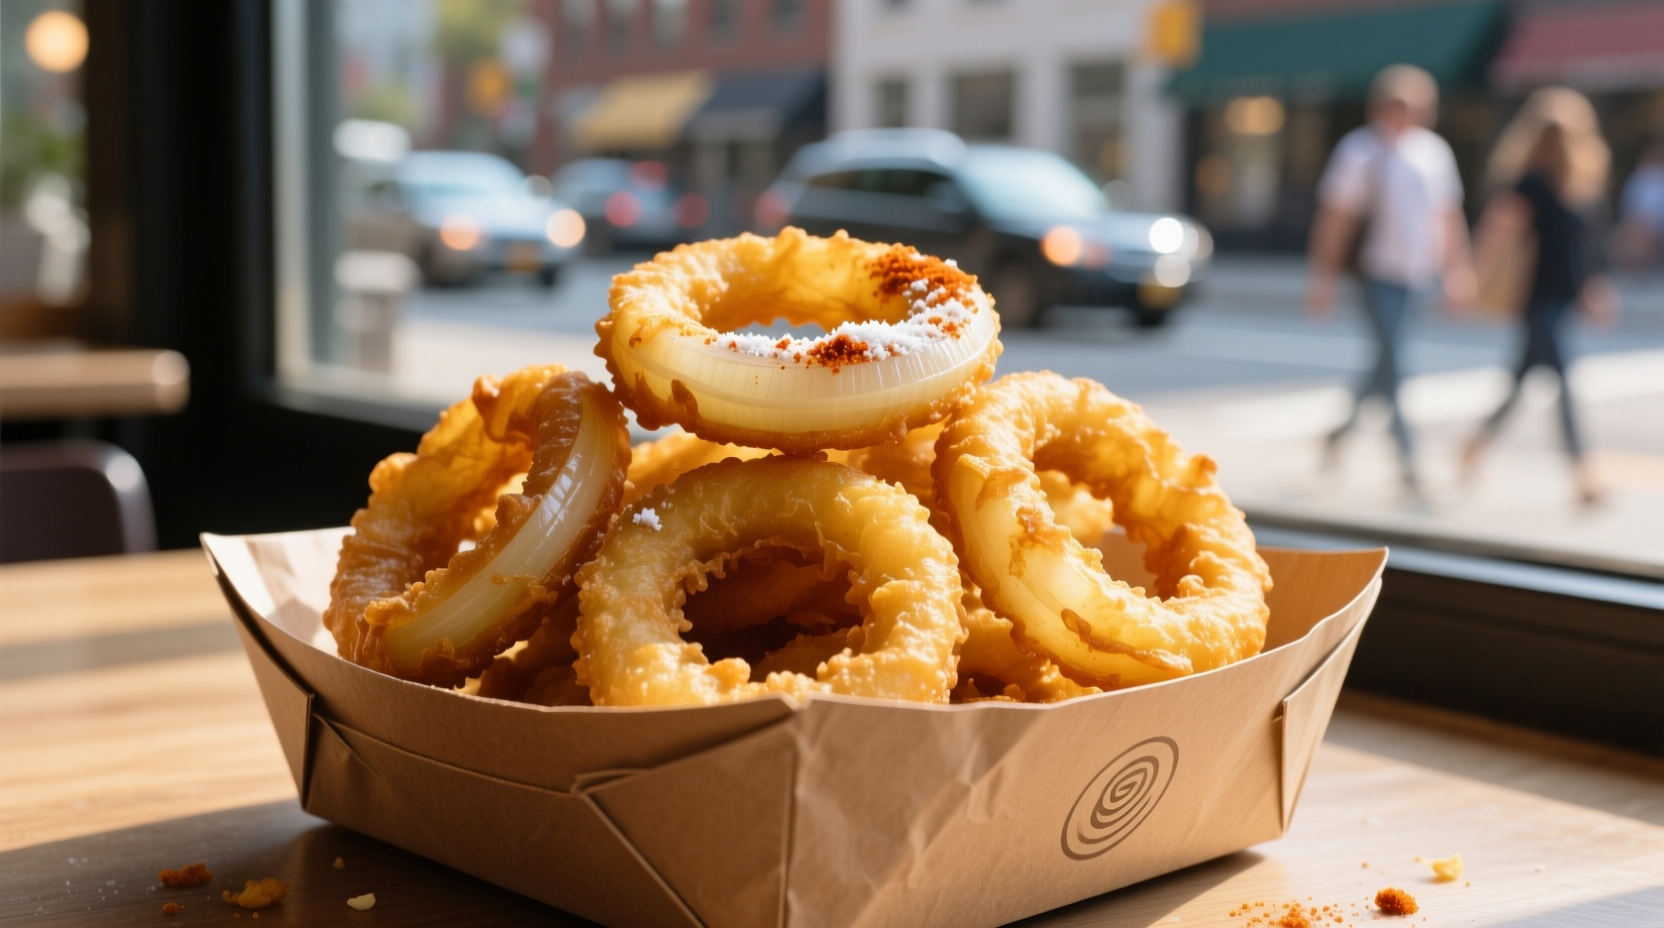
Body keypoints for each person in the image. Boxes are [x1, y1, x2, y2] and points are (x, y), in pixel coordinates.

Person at [1306, 65, 1474, 495]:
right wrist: (1321, 277)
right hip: (1376, 274)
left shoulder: (1433, 153)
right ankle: (1409, 461)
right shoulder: (1359, 151)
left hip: (1417, 276)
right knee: (1396, 364)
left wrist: (1457, 269)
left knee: (1384, 362)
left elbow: (1447, 217)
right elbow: (1336, 219)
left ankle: (1339, 434)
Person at [1461, 88, 1617, 505]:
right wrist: (1470, 278)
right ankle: (1584, 474)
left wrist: (1592, 288)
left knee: (1521, 380)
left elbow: (1584, 249)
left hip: (1563, 298)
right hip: (1536, 299)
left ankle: (1475, 445)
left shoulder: (1583, 183)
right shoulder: (1530, 182)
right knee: (1563, 383)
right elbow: (1498, 229)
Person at [1615, 140, 1664, 273]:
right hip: (1640, 223)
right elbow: (1629, 206)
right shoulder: (1638, 178)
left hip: (1658, 224)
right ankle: (1633, 271)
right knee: (1633, 233)